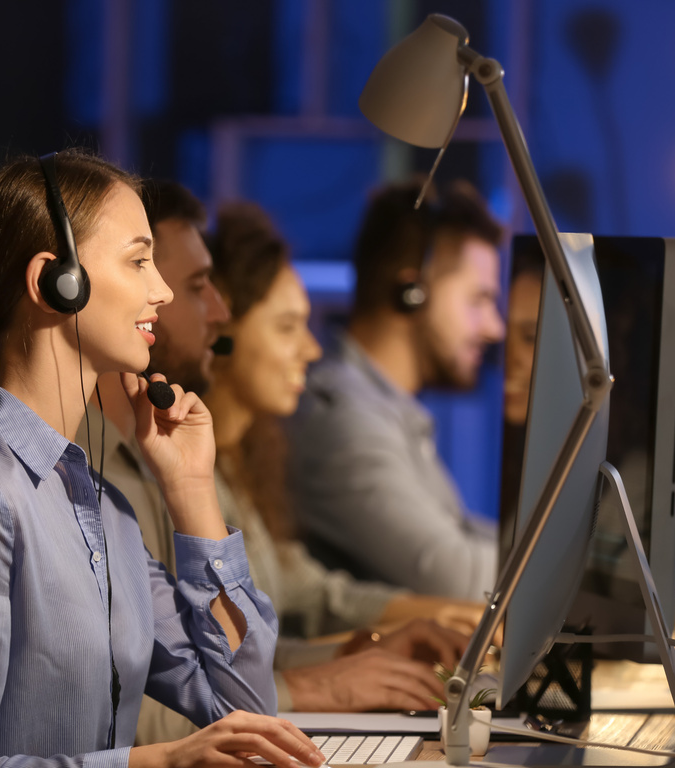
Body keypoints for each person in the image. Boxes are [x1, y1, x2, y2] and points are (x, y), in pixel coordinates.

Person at [0, 151, 325, 768]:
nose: (163, 290)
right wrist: (158, 763)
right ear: (56, 280)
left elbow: (245, 704)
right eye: (139, 260)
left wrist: (190, 490)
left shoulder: (98, 503)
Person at [81, 184, 479, 744]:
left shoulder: (173, 460)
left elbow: (232, 666)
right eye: (195, 286)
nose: (216, 309)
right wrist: (336, 675)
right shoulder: (81, 476)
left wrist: (356, 649)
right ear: (69, 287)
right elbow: (123, 714)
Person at [288, 177, 506, 601]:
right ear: (413, 292)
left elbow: (461, 531)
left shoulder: (386, 411)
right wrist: (593, 573)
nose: (495, 328)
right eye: (478, 300)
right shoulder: (343, 421)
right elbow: (458, 578)